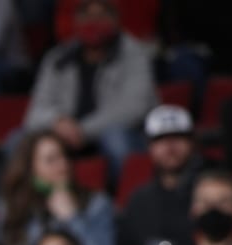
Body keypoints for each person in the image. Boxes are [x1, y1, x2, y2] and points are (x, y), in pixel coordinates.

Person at [22, 0, 158, 168]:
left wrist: (82, 130)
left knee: (115, 138)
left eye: (101, 15)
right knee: (19, 141)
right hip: (65, 135)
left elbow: (134, 107)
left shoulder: (134, 54)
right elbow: (35, 111)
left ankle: (127, 192)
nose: (93, 22)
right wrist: (56, 122)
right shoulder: (57, 58)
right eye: (86, 15)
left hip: (115, 133)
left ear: (116, 19)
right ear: (76, 20)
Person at [0, 131, 117, 245]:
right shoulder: (11, 206)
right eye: (51, 160)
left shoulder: (96, 204)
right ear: (30, 168)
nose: (63, 165)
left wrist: (72, 219)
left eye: (65, 156)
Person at [118, 104, 202, 245]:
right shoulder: (139, 200)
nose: (170, 147)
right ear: (149, 146)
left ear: (192, 142)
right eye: (161, 139)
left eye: (178, 138)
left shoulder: (213, 191)